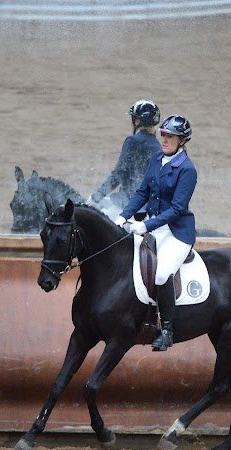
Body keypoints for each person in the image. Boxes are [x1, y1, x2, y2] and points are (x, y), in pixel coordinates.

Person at [114, 115, 196, 352]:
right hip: (152, 225)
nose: (165, 139)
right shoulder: (157, 158)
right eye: (163, 134)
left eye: (170, 136)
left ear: (182, 140)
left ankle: (168, 330)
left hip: (177, 233)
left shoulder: (187, 169)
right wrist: (124, 214)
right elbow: (142, 191)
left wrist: (147, 226)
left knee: (161, 276)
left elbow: (178, 208)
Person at [87, 99, 162, 212]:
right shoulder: (157, 145)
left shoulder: (133, 141)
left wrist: (97, 196)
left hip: (128, 205)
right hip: (149, 206)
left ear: (137, 121)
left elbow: (119, 173)